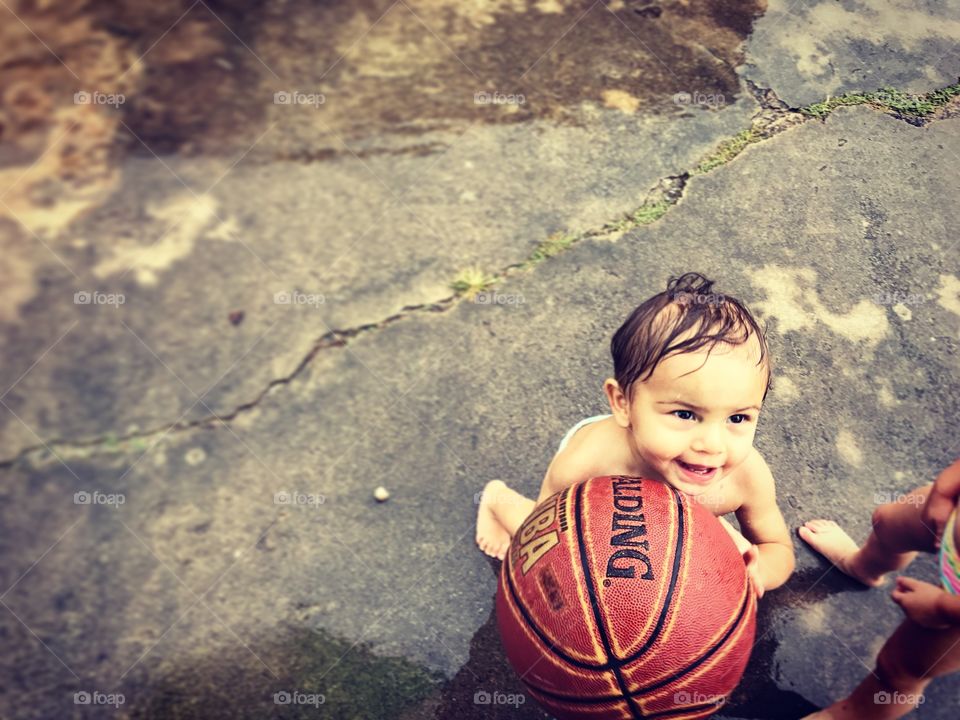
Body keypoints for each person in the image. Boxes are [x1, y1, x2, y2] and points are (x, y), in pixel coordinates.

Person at [475, 271, 795, 597]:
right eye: (685, 414)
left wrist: (756, 572)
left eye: (738, 418)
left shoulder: (746, 477)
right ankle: (495, 499)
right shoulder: (586, 463)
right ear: (623, 403)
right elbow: (542, 534)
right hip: (601, 472)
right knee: (527, 535)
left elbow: (777, 547)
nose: (713, 445)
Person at [799, 457, 960, 719]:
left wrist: (941, 606)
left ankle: (850, 714)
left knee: (899, 671)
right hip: (951, 509)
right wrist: (944, 489)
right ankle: (863, 566)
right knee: (887, 522)